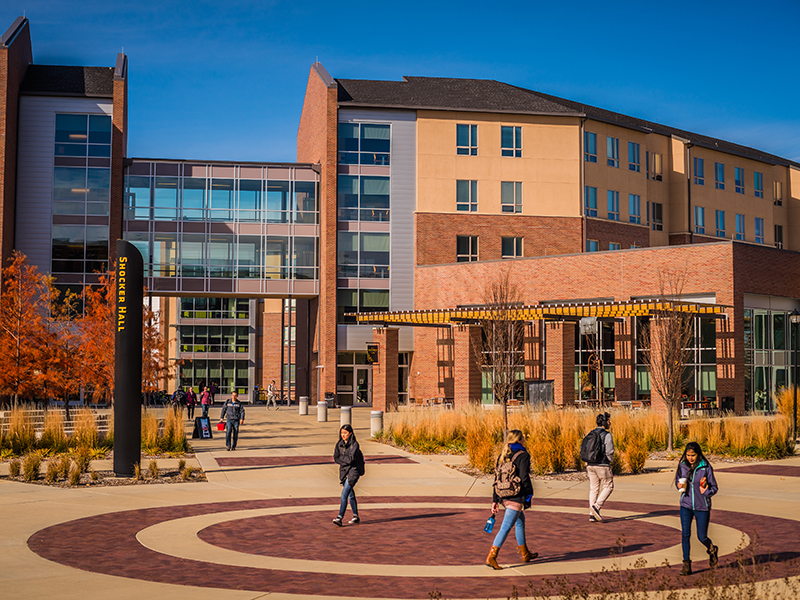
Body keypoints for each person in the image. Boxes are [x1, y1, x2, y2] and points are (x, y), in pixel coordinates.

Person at [485, 429, 538, 570]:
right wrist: (529, 494)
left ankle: (525, 553)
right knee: (506, 527)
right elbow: (524, 478)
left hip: (503, 495)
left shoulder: (503, 455)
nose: (524, 440)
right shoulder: (523, 455)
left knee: (520, 521)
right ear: (519, 440)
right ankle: (492, 556)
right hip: (516, 495)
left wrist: (495, 500)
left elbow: (497, 479)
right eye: (523, 438)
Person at [675, 441, 719, 575]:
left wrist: (705, 492)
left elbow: (714, 487)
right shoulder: (682, 466)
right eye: (688, 455)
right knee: (685, 534)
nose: (690, 458)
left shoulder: (705, 467)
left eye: (693, 455)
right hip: (686, 505)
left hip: (702, 506)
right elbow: (678, 480)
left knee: (702, 536)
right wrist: (679, 486)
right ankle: (686, 565)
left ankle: (712, 549)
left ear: (698, 454)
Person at [332, 424, 365, 526]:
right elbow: (336, 458)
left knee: (344, 493)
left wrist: (343, 461)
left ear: (350, 433)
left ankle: (340, 517)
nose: (343, 435)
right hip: (344, 471)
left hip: (354, 471)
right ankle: (356, 516)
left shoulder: (354, 444)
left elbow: (351, 459)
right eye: (342, 433)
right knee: (350, 494)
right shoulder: (339, 444)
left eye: (345, 433)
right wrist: (344, 461)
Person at [586, 412, 615, 522]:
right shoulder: (607, 435)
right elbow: (610, 451)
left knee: (594, 488)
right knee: (608, 486)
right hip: (603, 465)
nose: (610, 423)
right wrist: (609, 461)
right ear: (604, 422)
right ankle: (596, 507)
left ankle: (592, 514)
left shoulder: (591, 434)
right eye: (608, 421)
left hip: (590, 464)